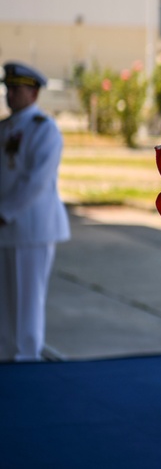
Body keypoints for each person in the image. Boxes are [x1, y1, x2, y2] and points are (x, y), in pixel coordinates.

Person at [0, 62, 71, 361]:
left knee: (27, 302)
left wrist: (4, 212)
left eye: (16, 89)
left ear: (34, 93)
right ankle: (6, 356)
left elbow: (37, 182)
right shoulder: (6, 127)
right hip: (6, 227)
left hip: (31, 228)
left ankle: (27, 360)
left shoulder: (45, 128)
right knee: (5, 303)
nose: (10, 95)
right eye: (8, 89)